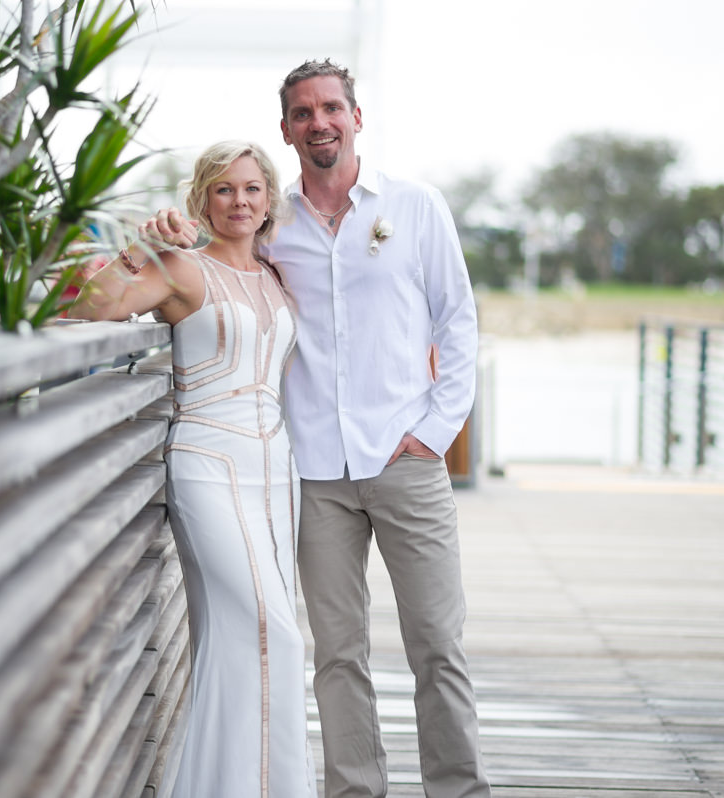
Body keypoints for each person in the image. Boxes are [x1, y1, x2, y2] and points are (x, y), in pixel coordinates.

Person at [147, 60, 491, 797]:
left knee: (436, 643)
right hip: (310, 472)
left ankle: (458, 791)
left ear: (356, 117)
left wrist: (434, 431)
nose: (319, 123)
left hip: (404, 457)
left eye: (331, 108)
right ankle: (353, 791)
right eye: (302, 113)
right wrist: (167, 233)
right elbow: (217, 267)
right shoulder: (272, 227)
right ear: (286, 130)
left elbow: (458, 323)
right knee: (337, 653)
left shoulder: (416, 206)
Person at [67, 141, 316, 798]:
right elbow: (90, 305)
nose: (239, 201)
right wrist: (136, 253)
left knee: (241, 641)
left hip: (274, 472)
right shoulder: (181, 268)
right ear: (202, 199)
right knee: (276, 634)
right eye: (224, 189)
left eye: (252, 188)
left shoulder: (275, 277)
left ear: (269, 200)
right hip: (208, 464)